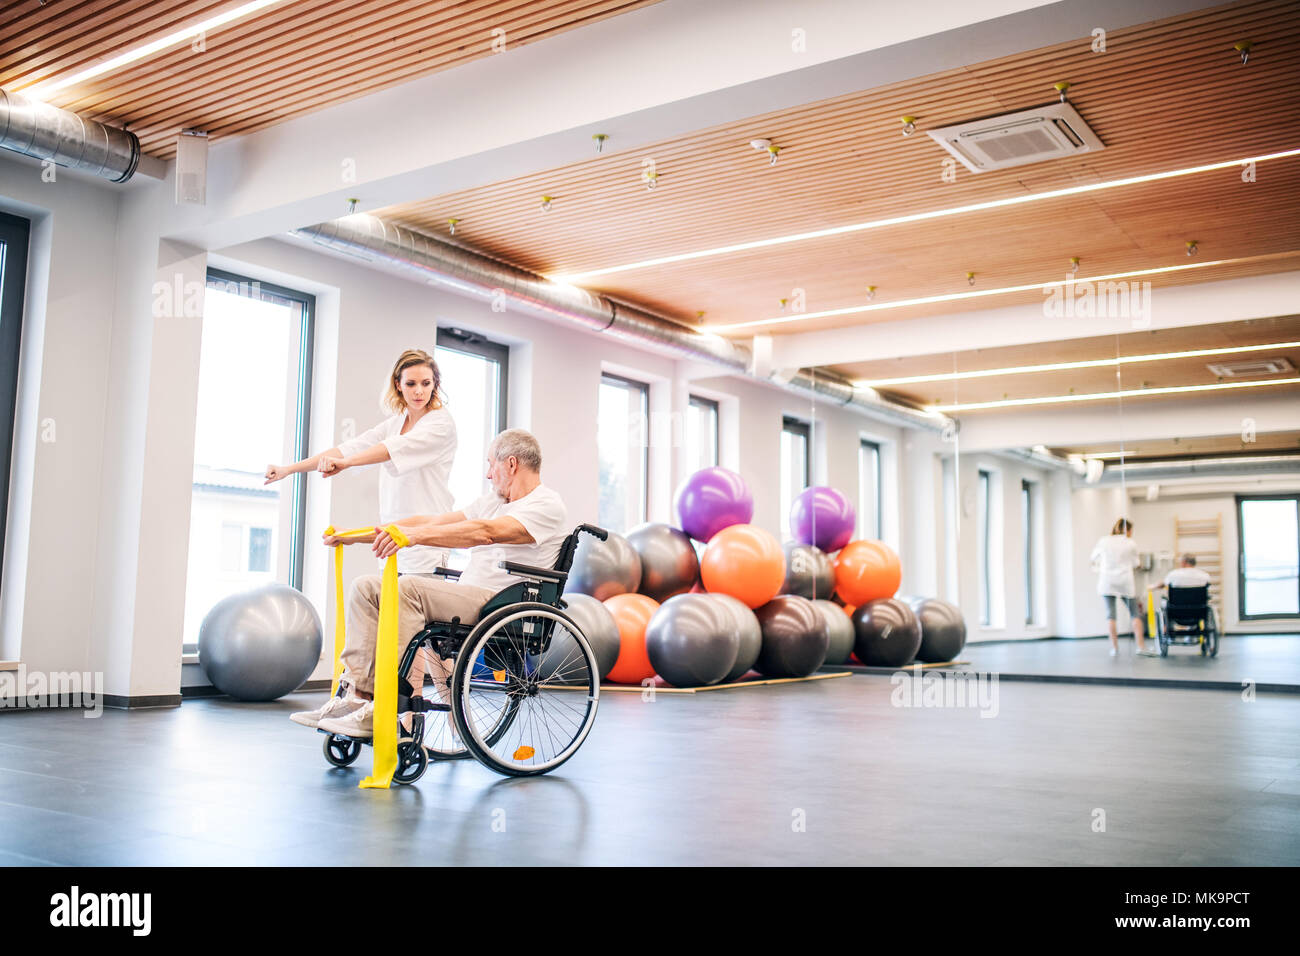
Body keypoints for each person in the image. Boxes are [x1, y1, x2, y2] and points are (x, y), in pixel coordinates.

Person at [290, 429, 569, 739]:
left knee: (409, 587)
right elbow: (432, 522)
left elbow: (484, 532)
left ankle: (390, 703)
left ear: (512, 464)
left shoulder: (547, 505)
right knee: (367, 587)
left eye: (491, 465)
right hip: (473, 597)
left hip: (502, 603)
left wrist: (413, 539)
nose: (488, 475)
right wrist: (356, 534)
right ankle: (356, 698)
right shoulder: (494, 501)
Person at [269, 349, 457, 701]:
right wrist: (290, 469)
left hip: (426, 540)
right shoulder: (396, 420)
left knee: (427, 641)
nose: (419, 391)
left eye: (427, 384)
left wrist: (347, 464)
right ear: (398, 386)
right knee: (401, 638)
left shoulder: (440, 424)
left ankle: (451, 713)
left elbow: (388, 450)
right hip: (393, 541)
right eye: (411, 384)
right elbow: (347, 446)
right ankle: (405, 720)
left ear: (436, 385)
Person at [1089, 517, 1154, 657]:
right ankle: (1141, 647)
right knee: (1135, 613)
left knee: (1110, 615)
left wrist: (1101, 567)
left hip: (1107, 581)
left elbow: (1093, 558)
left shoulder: (1104, 541)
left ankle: (1114, 648)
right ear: (1129, 530)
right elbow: (1136, 563)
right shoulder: (1130, 543)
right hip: (1125, 581)